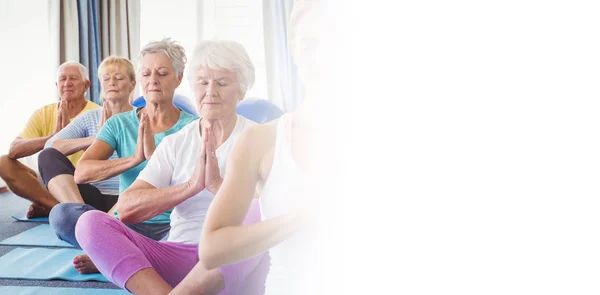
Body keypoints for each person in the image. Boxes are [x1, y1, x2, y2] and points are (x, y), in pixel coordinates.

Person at [75, 40, 269, 295]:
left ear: (241, 90)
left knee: (260, 210)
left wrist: (216, 186)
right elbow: (127, 209)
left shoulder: (261, 139)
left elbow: (273, 208)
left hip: (232, 257)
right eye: (202, 82)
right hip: (179, 254)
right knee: (88, 223)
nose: (210, 91)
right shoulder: (177, 143)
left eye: (222, 82)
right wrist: (190, 187)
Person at [198, 1, 329, 294]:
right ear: (294, 50)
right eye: (310, 44)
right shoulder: (262, 140)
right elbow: (211, 249)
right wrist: (301, 217)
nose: (324, 58)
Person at [65, 38, 198, 274]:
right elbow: (81, 173)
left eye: (163, 73)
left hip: (172, 225)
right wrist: (135, 158)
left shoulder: (193, 127)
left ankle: (116, 254)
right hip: (127, 222)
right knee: (64, 216)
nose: (153, 80)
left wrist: (154, 156)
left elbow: (194, 184)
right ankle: (131, 252)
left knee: (195, 242)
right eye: (146, 73)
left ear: (178, 78)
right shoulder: (119, 123)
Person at [40, 56, 136, 253]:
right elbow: (51, 145)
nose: (112, 82)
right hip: (94, 198)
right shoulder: (90, 117)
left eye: (119, 77)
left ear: (132, 84)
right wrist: (97, 138)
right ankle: (85, 220)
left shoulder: (141, 119)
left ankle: (96, 234)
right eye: (107, 78)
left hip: (128, 197)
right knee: (47, 157)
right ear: (100, 84)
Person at [0, 61, 100, 217]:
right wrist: (53, 137)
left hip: (81, 183)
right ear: (57, 85)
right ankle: (56, 207)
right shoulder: (43, 113)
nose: (67, 83)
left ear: (86, 85)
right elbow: (13, 150)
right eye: (62, 79)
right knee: (4, 162)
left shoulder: (97, 113)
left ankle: (59, 206)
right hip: (49, 180)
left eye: (73, 78)